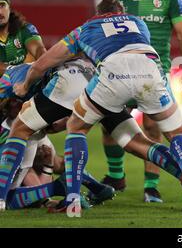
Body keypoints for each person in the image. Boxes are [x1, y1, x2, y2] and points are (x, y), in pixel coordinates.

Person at [2, 0, 182, 216]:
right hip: (139, 70)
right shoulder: (138, 23)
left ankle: (63, 198)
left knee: (54, 128)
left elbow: (43, 63)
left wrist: (24, 87)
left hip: (99, 80)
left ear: (97, 14)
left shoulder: (86, 28)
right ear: (122, 12)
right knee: (147, 140)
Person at [104, 0, 182, 204]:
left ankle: (151, 187)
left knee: (152, 125)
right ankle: (116, 176)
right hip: (120, 73)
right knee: (109, 123)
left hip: (154, 75)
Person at [0, 62, 115, 211]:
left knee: (9, 196)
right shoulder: (25, 68)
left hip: (19, 127)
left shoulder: (9, 80)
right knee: (52, 161)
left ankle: (59, 187)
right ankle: (84, 186)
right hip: (39, 117)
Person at [0, 0, 46, 75]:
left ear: (9, 7)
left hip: (19, 82)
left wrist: (44, 64)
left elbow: (38, 50)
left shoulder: (24, 29)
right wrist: (18, 70)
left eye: (2, 5)